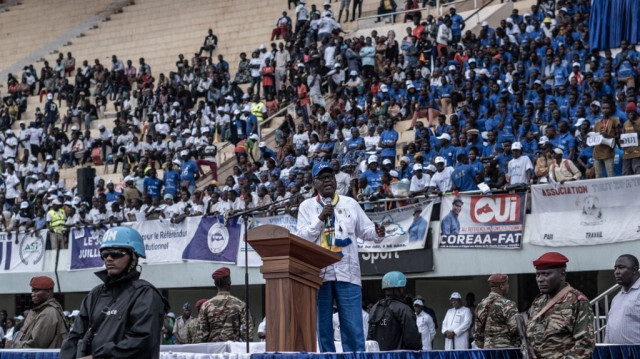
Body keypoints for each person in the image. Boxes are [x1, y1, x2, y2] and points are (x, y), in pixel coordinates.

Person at [296, 162, 385, 352]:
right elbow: (302, 237)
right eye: (323, 177)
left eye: (331, 176)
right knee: (324, 329)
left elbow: (366, 230)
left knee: (353, 326)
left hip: (347, 272)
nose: (328, 180)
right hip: (320, 274)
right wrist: (320, 219)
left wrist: (377, 232)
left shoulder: (350, 204)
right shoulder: (306, 207)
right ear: (315, 182)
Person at [60, 226, 169, 358]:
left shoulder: (145, 294)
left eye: (116, 253)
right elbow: (75, 335)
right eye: (105, 254)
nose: (109, 258)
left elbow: (142, 341)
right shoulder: (95, 294)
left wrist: (98, 357)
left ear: (134, 257)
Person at [525, 252, 595, 358]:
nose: (540, 279)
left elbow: (585, 344)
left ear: (562, 275)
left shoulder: (577, 301)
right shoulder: (538, 302)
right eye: (538, 274)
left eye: (546, 274)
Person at [367, 271, 422, 350]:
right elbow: (412, 340)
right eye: (403, 287)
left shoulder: (375, 308)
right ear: (400, 289)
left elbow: (370, 339)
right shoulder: (404, 310)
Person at [9, 276, 68, 348]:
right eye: (32, 291)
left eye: (36, 291)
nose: (32, 294)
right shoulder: (43, 310)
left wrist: (12, 346)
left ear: (48, 292)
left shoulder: (47, 313)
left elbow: (36, 345)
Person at [199, 267, 254, 342]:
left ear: (215, 284)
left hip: (213, 351)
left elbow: (201, 334)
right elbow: (248, 332)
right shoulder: (240, 304)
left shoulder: (206, 305)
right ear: (229, 282)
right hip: (233, 350)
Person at [474, 273, 519, 349]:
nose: (508, 286)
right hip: (505, 350)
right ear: (501, 286)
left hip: (488, 351)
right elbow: (516, 329)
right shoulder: (507, 304)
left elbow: (478, 334)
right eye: (507, 284)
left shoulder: (480, 305)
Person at [605, 254, 640, 344]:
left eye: (621, 267)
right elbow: (609, 328)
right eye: (615, 268)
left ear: (634, 270)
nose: (616, 272)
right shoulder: (617, 298)